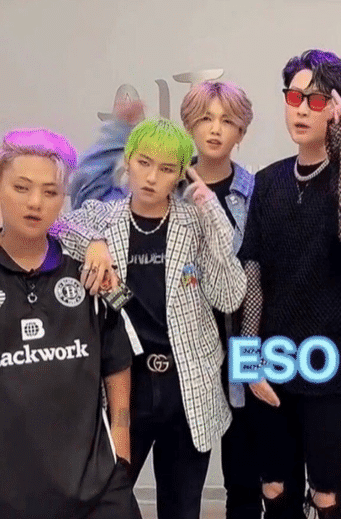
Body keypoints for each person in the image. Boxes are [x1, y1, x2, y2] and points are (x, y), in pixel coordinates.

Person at [72, 81, 262, 519]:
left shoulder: (200, 218)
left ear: (179, 173)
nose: (152, 177)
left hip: (193, 378)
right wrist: (95, 243)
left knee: (190, 502)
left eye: (164, 168)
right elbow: (65, 225)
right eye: (143, 164)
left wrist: (212, 215)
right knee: (110, 498)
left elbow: (233, 293)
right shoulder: (107, 215)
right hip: (126, 381)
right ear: (129, 162)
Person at [238, 49, 341, 519]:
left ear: (339, 109)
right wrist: (248, 362)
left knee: (331, 495)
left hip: (332, 361)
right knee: (274, 487)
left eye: (318, 100)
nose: (302, 109)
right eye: (294, 97)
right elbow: (253, 269)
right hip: (273, 359)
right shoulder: (269, 181)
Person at [0, 128, 140, 519]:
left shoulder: (92, 273)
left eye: (50, 192)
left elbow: (117, 363)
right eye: (21, 187)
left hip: (95, 491)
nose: (35, 202)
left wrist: (121, 450)